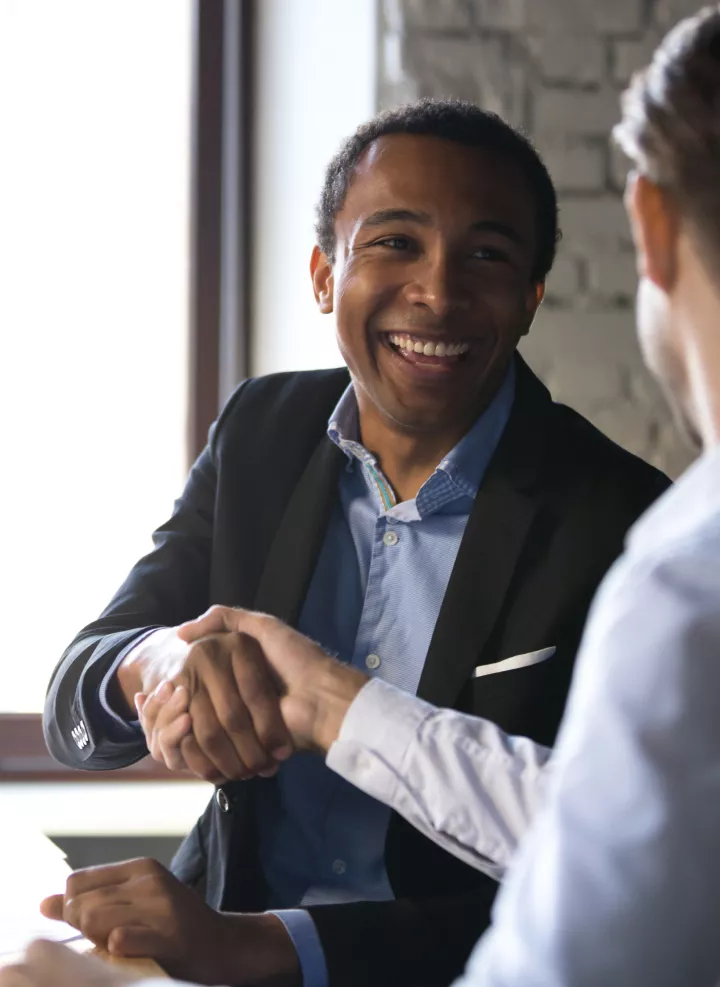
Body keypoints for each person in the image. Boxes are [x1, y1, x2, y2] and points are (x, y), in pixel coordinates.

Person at [42, 99, 668, 987]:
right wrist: (153, 668)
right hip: (207, 946)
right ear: (324, 275)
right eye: (395, 243)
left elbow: (602, 867)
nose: (439, 293)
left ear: (532, 298)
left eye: (486, 255)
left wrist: (263, 946)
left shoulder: (629, 523)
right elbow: (79, 687)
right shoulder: (263, 428)